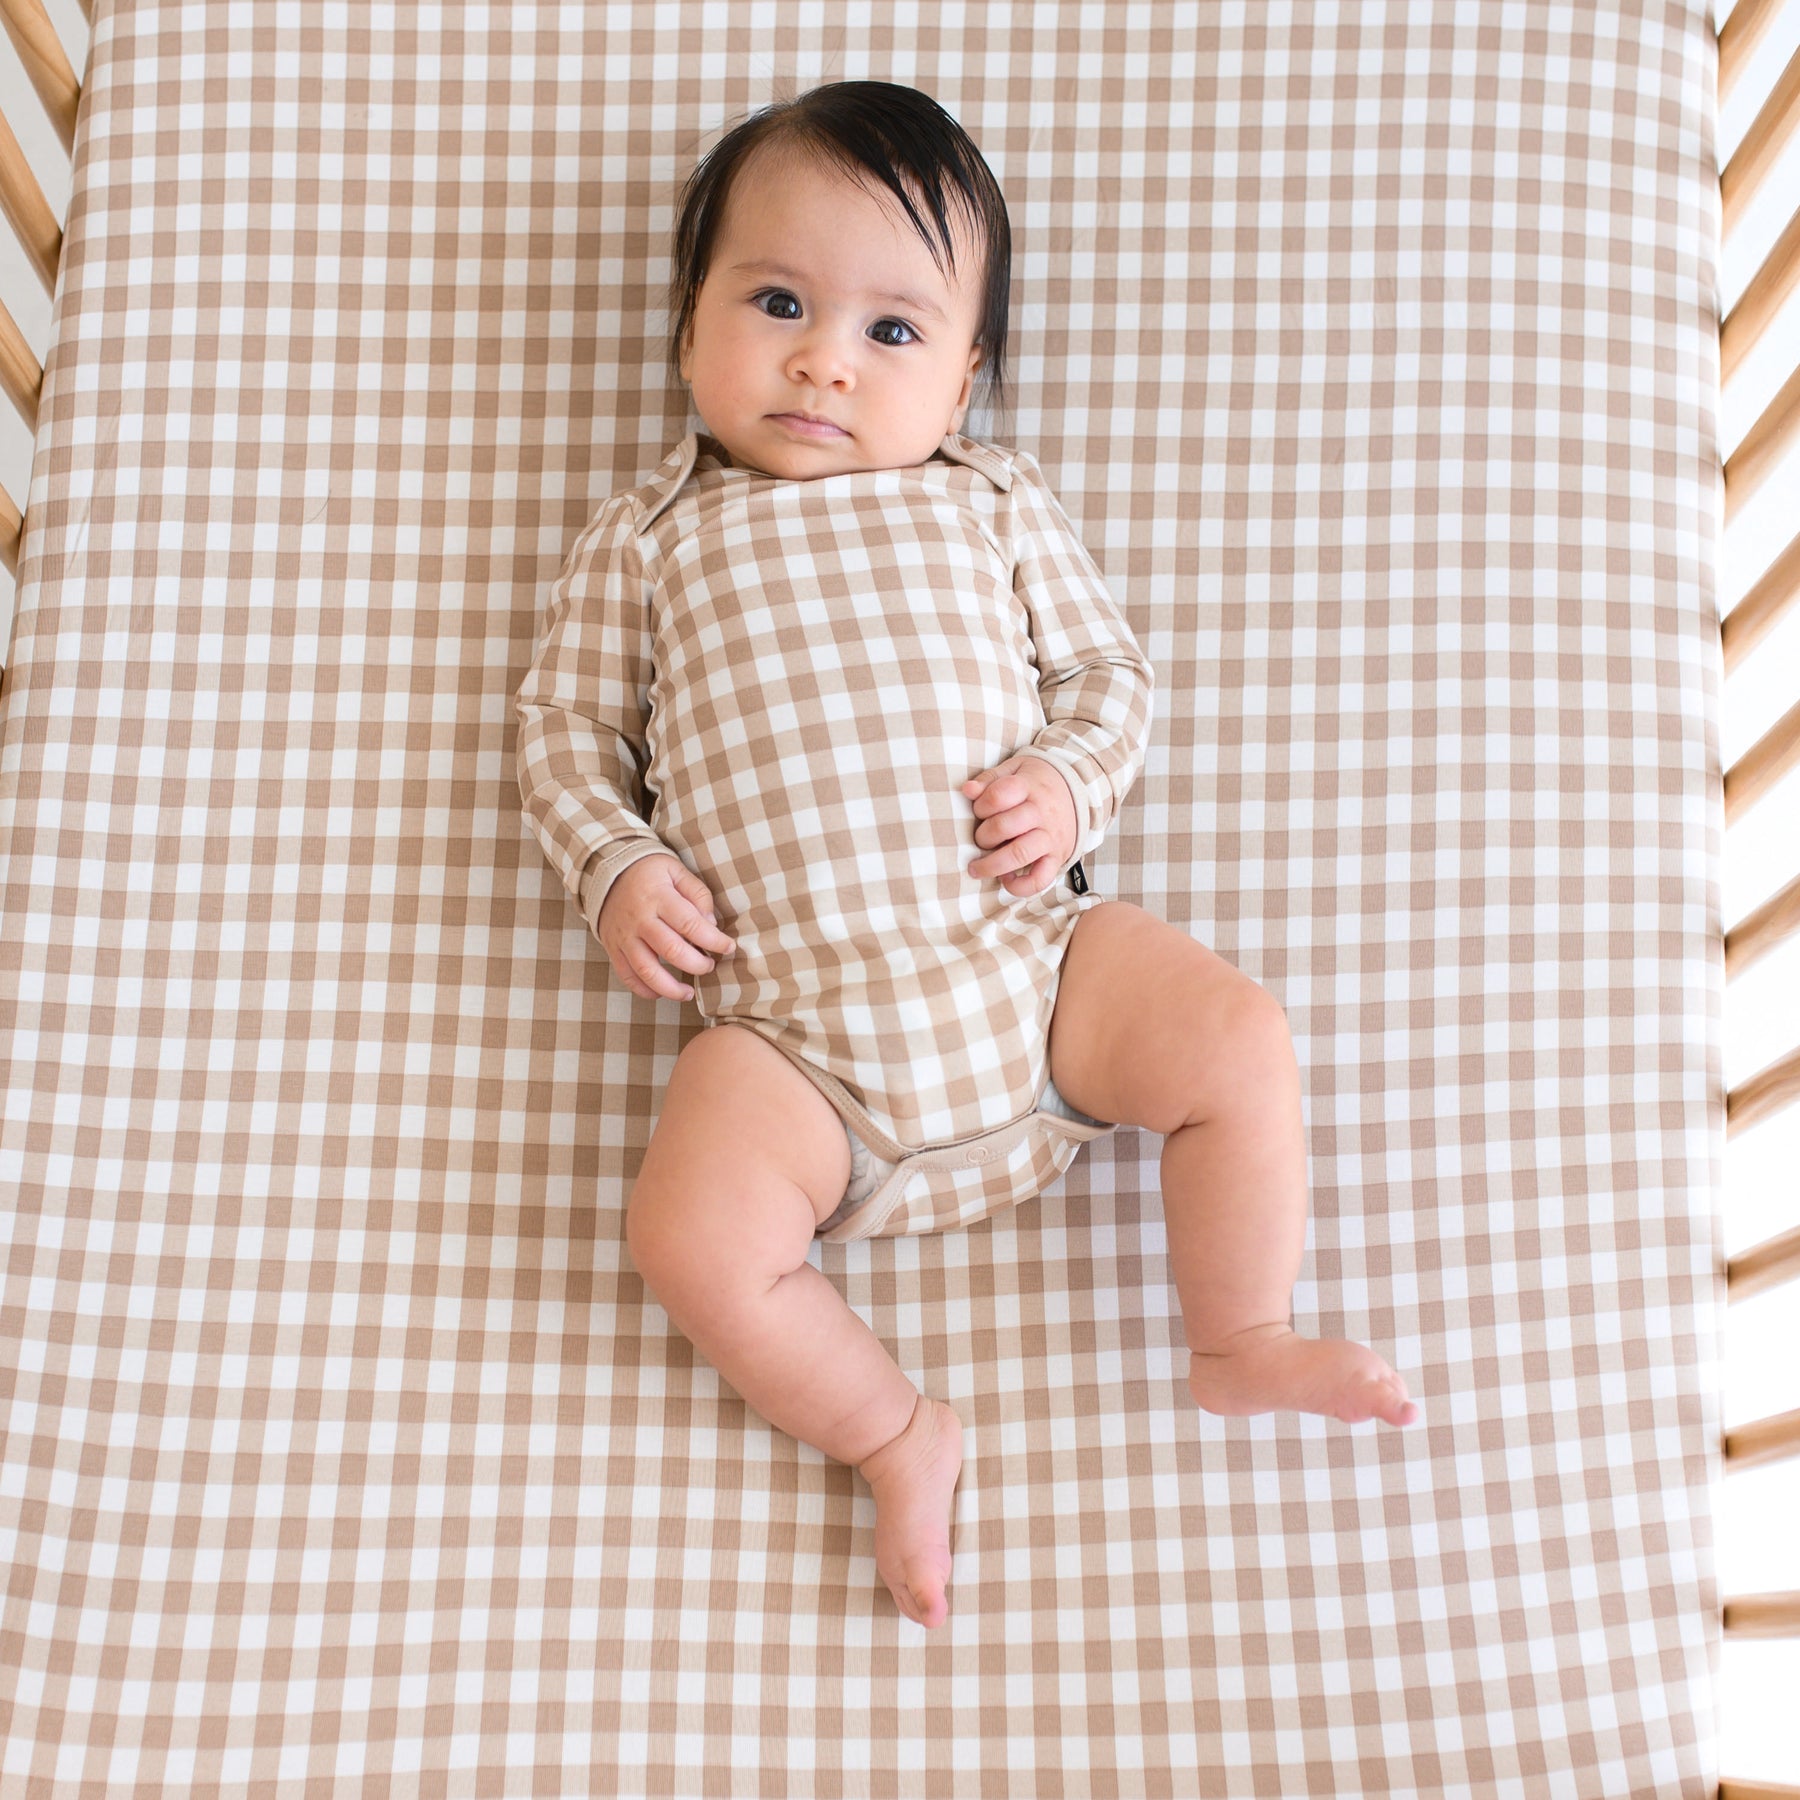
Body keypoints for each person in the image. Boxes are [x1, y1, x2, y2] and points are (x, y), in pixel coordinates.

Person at [515, 80, 1417, 1633]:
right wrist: (616, 866)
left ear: (967, 378)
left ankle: (1242, 1334)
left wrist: (1067, 784)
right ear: (688, 326)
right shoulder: (648, 537)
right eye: (778, 304)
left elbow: (1107, 679)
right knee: (685, 1234)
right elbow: (562, 732)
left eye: (892, 331)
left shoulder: (987, 500)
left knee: (1235, 1035)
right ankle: (893, 1433)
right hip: (795, 1046)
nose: (825, 360)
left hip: (1033, 970)